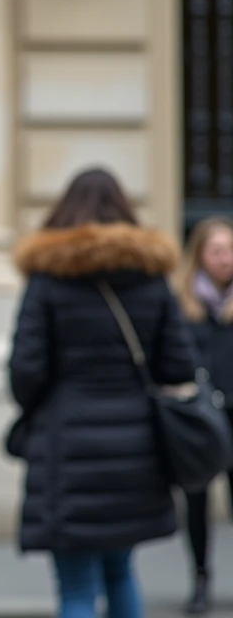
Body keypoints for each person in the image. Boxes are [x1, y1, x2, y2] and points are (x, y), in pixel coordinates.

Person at [8, 168, 198, 618]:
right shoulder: (151, 279)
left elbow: (25, 371)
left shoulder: (48, 279)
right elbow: (180, 365)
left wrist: (44, 406)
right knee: (120, 570)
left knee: (76, 587)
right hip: (137, 445)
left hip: (65, 443)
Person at [175, 216, 233, 613]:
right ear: (199, 256)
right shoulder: (183, 305)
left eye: (231, 250)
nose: (226, 259)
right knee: (196, 503)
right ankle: (199, 577)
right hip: (198, 421)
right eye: (217, 251)